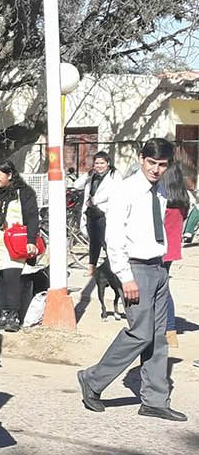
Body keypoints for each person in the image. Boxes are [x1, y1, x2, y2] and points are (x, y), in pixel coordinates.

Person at [78, 138, 186, 422]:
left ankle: (154, 399)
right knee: (140, 333)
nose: (157, 169)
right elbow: (113, 239)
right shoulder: (125, 190)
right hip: (135, 270)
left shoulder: (160, 190)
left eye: (162, 165)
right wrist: (125, 277)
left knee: (158, 337)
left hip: (159, 268)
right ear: (141, 158)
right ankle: (92, 379)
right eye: (152, 163)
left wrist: (163, 267)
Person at [0, 161, 39, 332]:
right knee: (0, 279)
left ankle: (13, 316)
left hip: (15, 243)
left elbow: (32, 217)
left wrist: (31, 240)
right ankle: (2, 314)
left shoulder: (24, 193)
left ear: (10, 175)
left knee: (12, 279)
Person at [158, 160, 189, 347]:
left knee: (162, 290)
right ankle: (168, 329)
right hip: (172, 250)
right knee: (163, 287)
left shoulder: (163, 201)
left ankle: (169, 329)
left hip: (159, 249)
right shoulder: (183, 201)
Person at [73, 151, 117, 274]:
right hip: (91, 213)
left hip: (104, 213)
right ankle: (92, 267)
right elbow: (76, 185)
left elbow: (114, 192)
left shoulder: (114, 175)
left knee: (106, 241)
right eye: (97, 163)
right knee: (94, 241)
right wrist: (88, 174)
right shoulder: (92, 175)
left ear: (108, 163)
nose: (99, 166)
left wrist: (95, 200)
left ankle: (111, 267)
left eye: (102, 163)